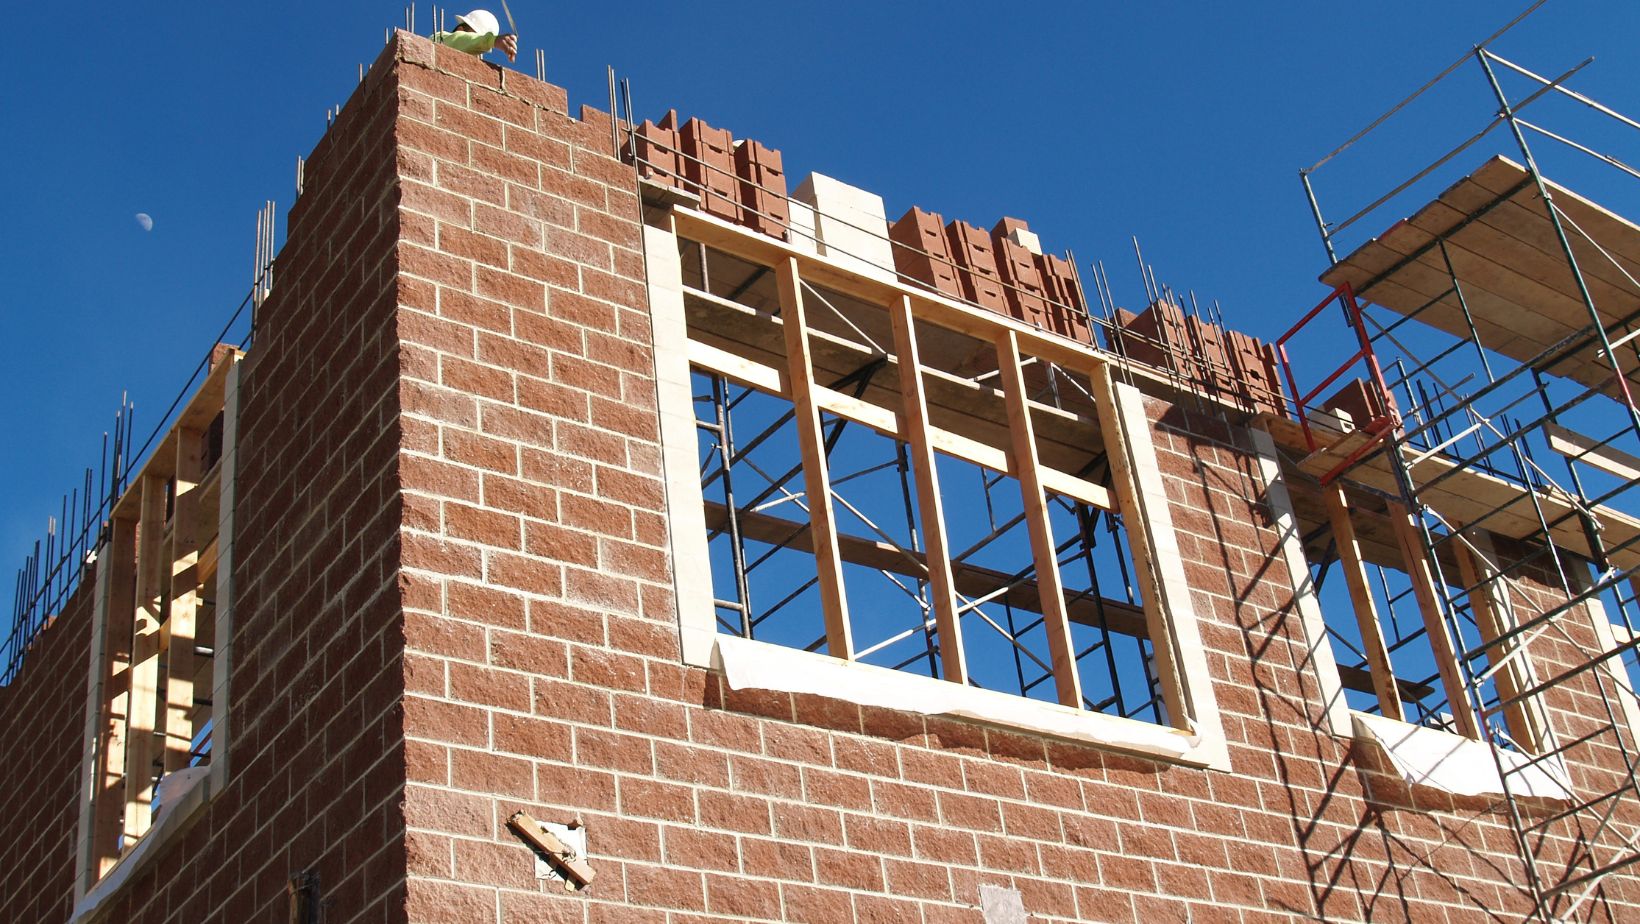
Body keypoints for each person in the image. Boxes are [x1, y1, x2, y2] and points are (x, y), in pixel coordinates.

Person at [432, 10, 518, 62]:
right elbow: (458, 39)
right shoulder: (439, 38)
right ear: (460, 29)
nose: (478, 48)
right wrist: (492, 41)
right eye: (477, 39)